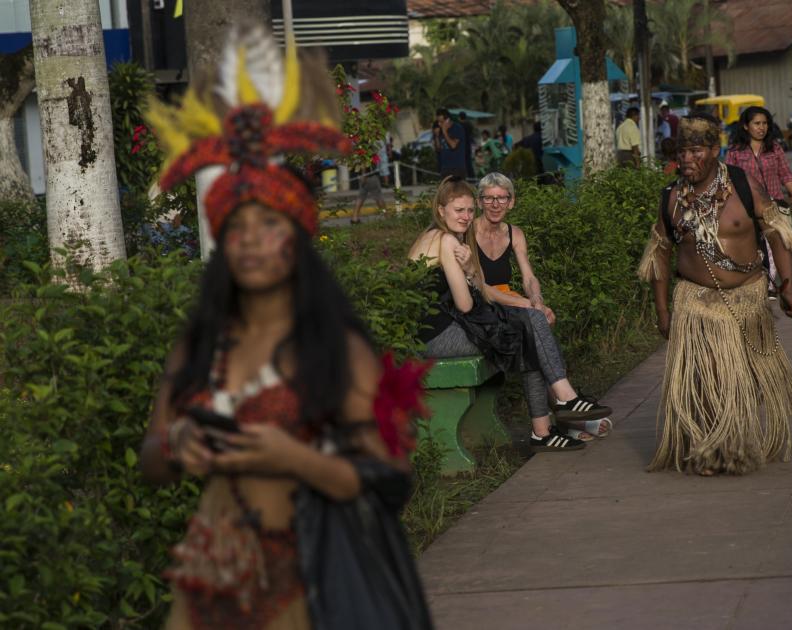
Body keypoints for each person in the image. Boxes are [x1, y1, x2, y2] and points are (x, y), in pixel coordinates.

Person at [140, 27, 432, 629]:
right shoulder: (201, 345)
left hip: (306, 582)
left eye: (268, 227)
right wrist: (178, 446)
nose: (250, 243)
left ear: (297, 240)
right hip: (210, 582)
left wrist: (291, 455)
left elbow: (389, 479)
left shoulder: (336, 349)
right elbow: (151, 459)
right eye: (237, 229)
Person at [638, 114, 792, 476]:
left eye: (696, 150)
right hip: (696, 303)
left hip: (747, 299)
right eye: (682, 151)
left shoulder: (742, 186)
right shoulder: (672, 199)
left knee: (746, 380)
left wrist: (788, 287)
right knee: (708, 379)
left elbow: (777, 234)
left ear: (714, 150)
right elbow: (659, 254)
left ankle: (730, 440)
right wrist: (662, 311)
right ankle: (714, 449)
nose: (687, 159)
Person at [408, 177, 614, 451]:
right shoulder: (445, 240)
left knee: (528, 326)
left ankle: (546, 426)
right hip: (437, 337)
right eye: (460, 210)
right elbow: (466, 305)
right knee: (526, 331)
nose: (466, 217)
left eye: (469, 211)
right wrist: (470, 270)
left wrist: (530, 302)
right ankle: (560, 405)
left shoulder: (441, 236)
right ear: (441, 209)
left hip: (438, 331)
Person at [725, 106, 792, 295]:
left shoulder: (774, 148)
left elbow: (785, 174)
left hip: (774, 205)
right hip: (747, 208)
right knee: (755, 246)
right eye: (757, 123)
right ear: (745, 126)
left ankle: (772, 284)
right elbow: (729, 179)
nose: (762, 128)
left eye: (765, 123)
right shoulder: (735, 151)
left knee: (777, 243)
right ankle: (760, 281)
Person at [436, 108, 467, 178]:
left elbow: (453, 145)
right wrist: (437, 136)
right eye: (438, 122)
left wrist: (444, 132)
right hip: (445, 167)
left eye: (441, 122)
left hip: (457, 167)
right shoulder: (441, 131)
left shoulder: (458, 128)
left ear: (448, 120)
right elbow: (438, 149)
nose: (439, 124)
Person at [458, 112, 476, 179]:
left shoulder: (459, 125)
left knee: (462, 163)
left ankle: (463, 177)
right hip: (468, 145)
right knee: (469, 163)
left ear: (459, 117)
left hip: (462, 146)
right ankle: (472, 177)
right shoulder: (469, 124)